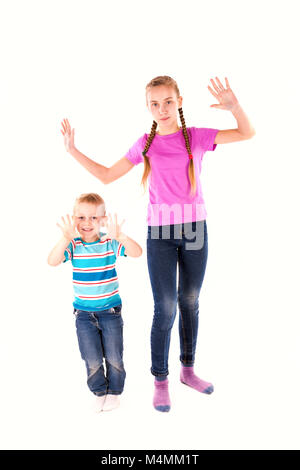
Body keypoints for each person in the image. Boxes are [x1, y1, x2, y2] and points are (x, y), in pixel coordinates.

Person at [60, 76, 255, 412]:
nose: (161, 109)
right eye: (154, 103)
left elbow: (246, 133)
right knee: (165, 307)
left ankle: (188, 371)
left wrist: (234, 107)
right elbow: (107, 175)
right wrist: (73, 151)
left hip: (195, 228)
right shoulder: (145, 144)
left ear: (178, 101)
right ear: (147, 107)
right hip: (160, 234)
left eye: (167, 102)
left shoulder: (195, 137)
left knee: (189, 301)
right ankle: (161, 379)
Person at [47, 192, 142, 412]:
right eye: (81, 218)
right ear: (73, 219)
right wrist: (65, 238)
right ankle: (99, 391)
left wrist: (122, 236)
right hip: (83, 315)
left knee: (114, 356)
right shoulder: (73, 245)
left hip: (110, 311)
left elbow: (137, 253)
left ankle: (115, 391)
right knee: (91, 358)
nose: (87, 223)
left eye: (94, 218)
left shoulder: (109, 242)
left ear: (103, 219)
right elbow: (52, 261)